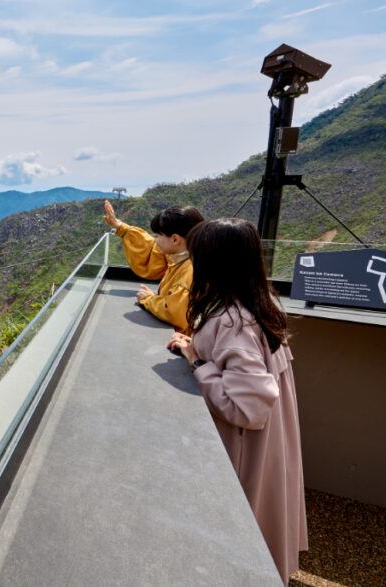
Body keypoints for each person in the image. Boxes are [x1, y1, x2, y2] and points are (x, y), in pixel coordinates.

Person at [167, 218, 307, 584]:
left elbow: (245, 408)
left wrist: (196, 362)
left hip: (244, 448)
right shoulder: (261, 302)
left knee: (236, 531)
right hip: (268, 444)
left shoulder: (232, 321)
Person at [103, 200, 204, 332]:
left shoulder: (189, 272)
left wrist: (149, 300)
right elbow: (151, 248)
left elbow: (174, 312)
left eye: (157, 235)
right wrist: (120, 227)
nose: (155, 240)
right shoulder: (190, 255)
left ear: (175, 239)